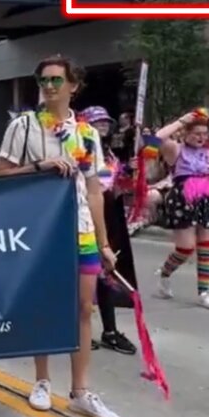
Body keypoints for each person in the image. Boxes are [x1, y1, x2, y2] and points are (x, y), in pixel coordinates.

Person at [0, 56, 124, 417]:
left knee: (84, 307)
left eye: (56, 80)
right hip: (40, 230)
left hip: (78, 228)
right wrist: (40, 167)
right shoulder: (24, 126)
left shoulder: (87, 134)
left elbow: (95, 191)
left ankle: (81, 392)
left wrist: (104, 242)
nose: (49, 87)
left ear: (73, 86)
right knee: (45, 304)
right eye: (44, 80)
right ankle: (41, 381)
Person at [153, 110, 209, 309]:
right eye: (196, 133)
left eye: (204, 133)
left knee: (207, 247)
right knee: (185, 248)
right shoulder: (175, 150)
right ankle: (165, 273)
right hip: (182, 200)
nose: (201, 137)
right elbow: (158, 137)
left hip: (208, 199)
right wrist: (181, 121)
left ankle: (203, 292)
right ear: (185, 134)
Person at [77, 107, 138, 355]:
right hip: (87, 216)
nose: (102, 125)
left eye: (105, 121)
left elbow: (116, 185)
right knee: (85, 274)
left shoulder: (111, 153)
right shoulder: (81, 149)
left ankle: (110, 331)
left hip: (110, 217)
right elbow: (92, 183)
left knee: (108, 274)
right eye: (96, 121)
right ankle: (79, 330)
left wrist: (128, 171)